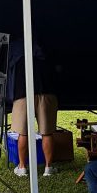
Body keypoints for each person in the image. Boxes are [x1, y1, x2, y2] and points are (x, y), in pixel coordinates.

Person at [5, 39, 58, 178]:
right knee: (47, 133)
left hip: (22, 94)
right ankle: (48, 167)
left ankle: (22, 167)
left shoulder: (15, 49)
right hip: (45, 92)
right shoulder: (47, 47)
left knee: (23, 133)